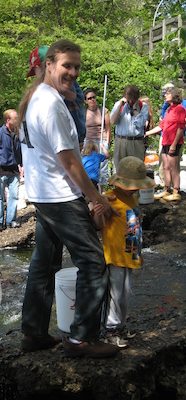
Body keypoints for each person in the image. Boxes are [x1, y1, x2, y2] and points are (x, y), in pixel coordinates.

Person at [18, 39, 119, 358]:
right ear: (48, 65)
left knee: (44, 263)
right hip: (60, 195)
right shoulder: (50, 104)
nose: (73, 72)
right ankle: (82, 338)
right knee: (93, 261)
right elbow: (71, 162)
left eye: (77, 66)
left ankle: (33, 332)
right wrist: (97, 199)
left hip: (42, 194)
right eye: (67, 65)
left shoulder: (36, 99)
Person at [92, 156, 155, 348]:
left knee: (126, 293)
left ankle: (120, 324)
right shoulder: (110, 197)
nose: (136, 188)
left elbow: (136, 228)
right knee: (116, 293)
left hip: (130, 254)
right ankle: (109, 329)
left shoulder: (133, 199)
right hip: (115, 256)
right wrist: (98, 210)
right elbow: (98, 225)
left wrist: (139, 252)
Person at [26, 45, 86, 147]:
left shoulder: (65, 83)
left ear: (46, 66)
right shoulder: (39, 97)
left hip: (76, 128)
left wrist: (58, 90)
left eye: (36, 69)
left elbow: (76, 97)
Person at [145, 87, 186, 202]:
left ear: (174, 95)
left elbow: (180, 128)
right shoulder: (168, 110)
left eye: (167, 94)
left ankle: (176, 191)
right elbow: (161, 126)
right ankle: (166, 189)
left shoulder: (180, 109)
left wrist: (174, 145)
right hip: (165, 142)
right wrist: (146, 133)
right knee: (165, 166)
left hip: (174, 143)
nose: (165, 95)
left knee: (173, 168)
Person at [0, 109, 22, 232]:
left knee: (14, 196)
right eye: (15, 118)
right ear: (8, 120)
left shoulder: (17, 133)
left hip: (14, 170)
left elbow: (20, 151)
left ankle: (11, 220)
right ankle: (0, 221)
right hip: (1, 170)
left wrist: (22, 165)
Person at [110, 85, 149, 171]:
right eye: (129, 98)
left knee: (136, 169)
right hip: (121, 141)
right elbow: (112, 121)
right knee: (120, 169)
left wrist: (135, 109)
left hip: (136, 142)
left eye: (133, 99)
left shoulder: (143, 106)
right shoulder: (119, 104)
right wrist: (120, 106)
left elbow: (141, 124)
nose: (130, 101)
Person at [83, 88, 111, 190]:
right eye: (89, 98)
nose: (92, 100)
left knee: (102, 166)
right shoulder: (84, 112)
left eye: (93, 97)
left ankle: (101, 190)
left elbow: (108, 128)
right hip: (89, 141)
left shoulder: (103, 111)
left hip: (101, 140)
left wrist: (107, 142)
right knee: (89, 164)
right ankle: (90, 189)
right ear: (86, 101)